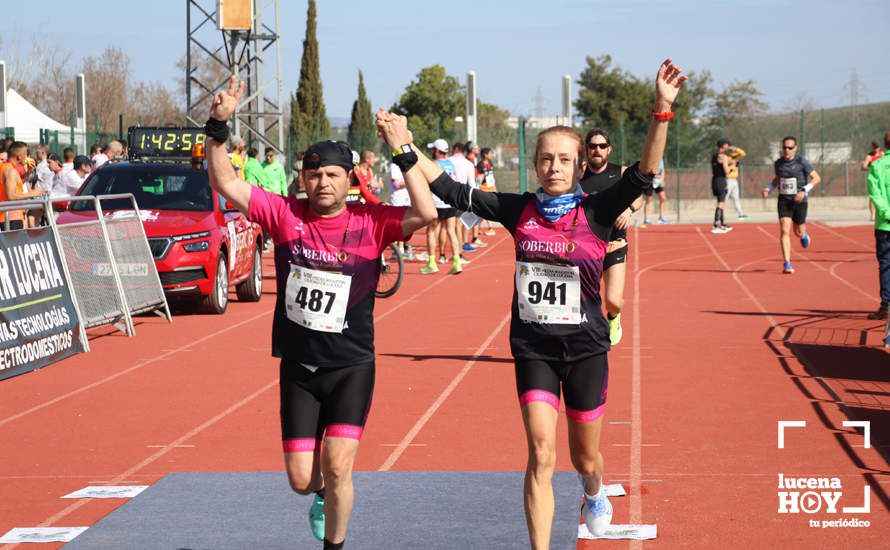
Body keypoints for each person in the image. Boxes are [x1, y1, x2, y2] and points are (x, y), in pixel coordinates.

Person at [380, 59, 684, 547]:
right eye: (546, 159)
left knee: (586, 459)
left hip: (585, 349)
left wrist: (661, 111)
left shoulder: (598, 210)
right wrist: (404, 146)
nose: (554, 167)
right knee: (541, 456)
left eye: (565, 159)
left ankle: (594, 491)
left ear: (581, 166)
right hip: (534, 350)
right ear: (535, 163)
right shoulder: (517, 208)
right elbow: (448, 189)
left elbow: (646, 172)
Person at [204, 76, 436, 549]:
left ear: (350, 180)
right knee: (301, 477)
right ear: (302, 179)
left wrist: (404, 150)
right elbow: (225, 180)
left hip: (351, 365)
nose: (322, 182)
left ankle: (335, 544)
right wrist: (218, 124)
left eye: (332, 174)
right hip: (300, 367)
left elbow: (427, 212)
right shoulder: (284, 214)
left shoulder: (372, 222)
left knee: (340, 464)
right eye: (314, 174)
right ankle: (322, 494)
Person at [579, 128, 641, 346]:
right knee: (583, 302)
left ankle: (614, 318)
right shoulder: (577, 175)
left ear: (609, 149)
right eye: (593, 146)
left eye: (602, 146)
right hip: (586, 249)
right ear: (586, 149)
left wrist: (629, 209)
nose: (597, 150)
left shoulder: (621, 172)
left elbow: (638, 195)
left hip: (615, 245)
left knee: (613, 301)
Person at [761, 136, 821, 274]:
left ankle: (804, 234)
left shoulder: (802, 162)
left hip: (800, 200)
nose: (787, 150)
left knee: (798, 231)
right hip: (784, 200)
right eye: (784, 148)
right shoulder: (778, 163)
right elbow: (777, 179)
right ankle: (787, 263)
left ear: (795, 148)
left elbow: (817, 178)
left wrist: (804, 191)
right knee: (784, 229)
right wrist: (769, 188)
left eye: (790, 148)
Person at [422, 139, 462, 275]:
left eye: (433, 149)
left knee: (431, 231)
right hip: (450, 202)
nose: (432, 152)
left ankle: (432, 263)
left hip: (437, 203)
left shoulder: (434, 164)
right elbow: (455, 181)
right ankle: (457, 262)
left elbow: (427, 184)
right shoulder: (451, 164)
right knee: (451, 231)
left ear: (438, 151)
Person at [867, 131, 890, 323]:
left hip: (885, 224)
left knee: (886, 265)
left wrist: (886, 213)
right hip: (885, 224)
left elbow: (875, 194)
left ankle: (886, 306)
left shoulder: (877, 165)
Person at [1, 142, 48, 230]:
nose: (27, 157)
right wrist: (33, 194)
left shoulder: (4, 167)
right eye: (26, 155)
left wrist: (28, 174)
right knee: (14, 243)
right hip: (11, 217)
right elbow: (11, 196)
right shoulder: (11, 171)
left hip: (8, 216)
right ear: (19, 157)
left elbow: (12, 187)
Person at [710, 139, 733, 233]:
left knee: (721, 202)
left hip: (715, 180)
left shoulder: (714, 156)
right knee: (721, 203)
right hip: (721, 180)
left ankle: (722, 223)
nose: (728, 147)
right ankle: (716, 224)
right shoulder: (724, 157)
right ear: (723, 146)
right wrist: (733, 167)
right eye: (727, 145)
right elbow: (726, 171)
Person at [476, 147, 498, 236]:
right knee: (485, 208)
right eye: (490, 153)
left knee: (485, 209)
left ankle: (481, 228)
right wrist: (477, 187)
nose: (491, 155)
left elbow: (491, 176)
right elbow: (479, 177)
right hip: (483, 188)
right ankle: (489, 228)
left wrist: (494, 187)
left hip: (490, 188)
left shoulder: (490, 163)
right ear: (485, 155)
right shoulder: (480, 165)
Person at [641, 158, 669, 224]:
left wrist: (662, 178)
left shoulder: (661, 160)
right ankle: (646, 219)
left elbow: (662, 170)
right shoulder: (651, 158)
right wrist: (654, 176)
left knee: (663, 198)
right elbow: (648, 170)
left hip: (658, 182)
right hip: (650, 181)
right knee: (648, 200)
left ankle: (661, 217)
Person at [863, 141, 884, 221]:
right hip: (873, 179)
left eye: (877, 147)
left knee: (883, 195)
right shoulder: (869, 156)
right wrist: (871, 168)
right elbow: (864, 166)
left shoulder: (882, 155)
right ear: (872, 147)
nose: (876, 149)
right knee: (872, 197)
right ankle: (873, 215)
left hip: (882, 178)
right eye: (875, 147)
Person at [725, 145, 748, 219]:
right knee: (725, 198)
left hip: (734, 180)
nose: (731, 151)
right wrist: (733, 161)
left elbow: (743, 153)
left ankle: (740, 214)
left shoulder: (734, 156)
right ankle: (721, 214)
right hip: (728, 180)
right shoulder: (726, 158)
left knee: (736, 198)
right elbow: (731, 161)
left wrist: (736, 148)